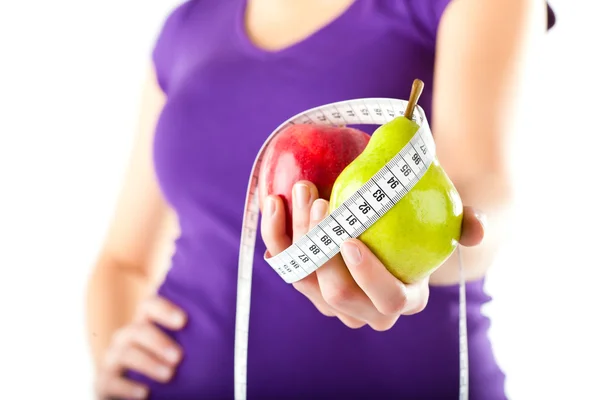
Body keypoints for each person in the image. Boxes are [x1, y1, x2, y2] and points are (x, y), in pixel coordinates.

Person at [86, 0, 556, 399]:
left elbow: (484, 189)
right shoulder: (189, 23)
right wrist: (112, 362)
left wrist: (428, 256)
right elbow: (122, 259)